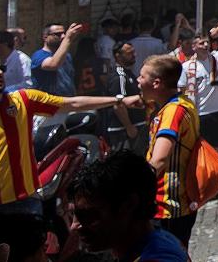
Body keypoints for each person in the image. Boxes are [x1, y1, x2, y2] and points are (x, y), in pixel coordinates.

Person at [0, 56, 141, 220]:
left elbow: (72, 103)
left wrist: (120, 100)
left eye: (0, 69)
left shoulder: (23, 100)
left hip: (24, 201)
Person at [70, 149, 190, 261]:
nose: (74, 227)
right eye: (75, 215)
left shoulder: (157, 257)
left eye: (89, 216)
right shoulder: (155, 240)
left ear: (128, 205)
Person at [137, 54, 201, 248]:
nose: (138, 81)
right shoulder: (184, 102)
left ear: (156, 83)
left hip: (168, 204)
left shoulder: (172, 112)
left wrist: (133, 188)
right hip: (180, 202)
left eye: (142, 77)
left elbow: (160, 160)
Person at [176, 31, 218, 150]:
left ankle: (217, 168)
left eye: (207, 42)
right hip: (200, 113)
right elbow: (182, 90)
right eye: (201, 43)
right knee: (202, 148)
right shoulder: (187, 67)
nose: (205, 45)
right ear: (193, 47)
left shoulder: (217, 58)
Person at [103, 40, 147, 153]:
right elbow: (118, 104)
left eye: (133, 52)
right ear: (118, 56)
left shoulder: (128, 74)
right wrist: (129, 127)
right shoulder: (119, 77)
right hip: (123, 132)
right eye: (129, 53)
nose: (134, 55)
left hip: (136, 127)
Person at [31, 22, 84, 97]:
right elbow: (53, 64)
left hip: (68, 100)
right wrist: (68, 38)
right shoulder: (39, 55)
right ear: (45, 37)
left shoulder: (67, 55)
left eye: (64, 33)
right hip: (48, 103)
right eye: (58, 34)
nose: (63, 36)